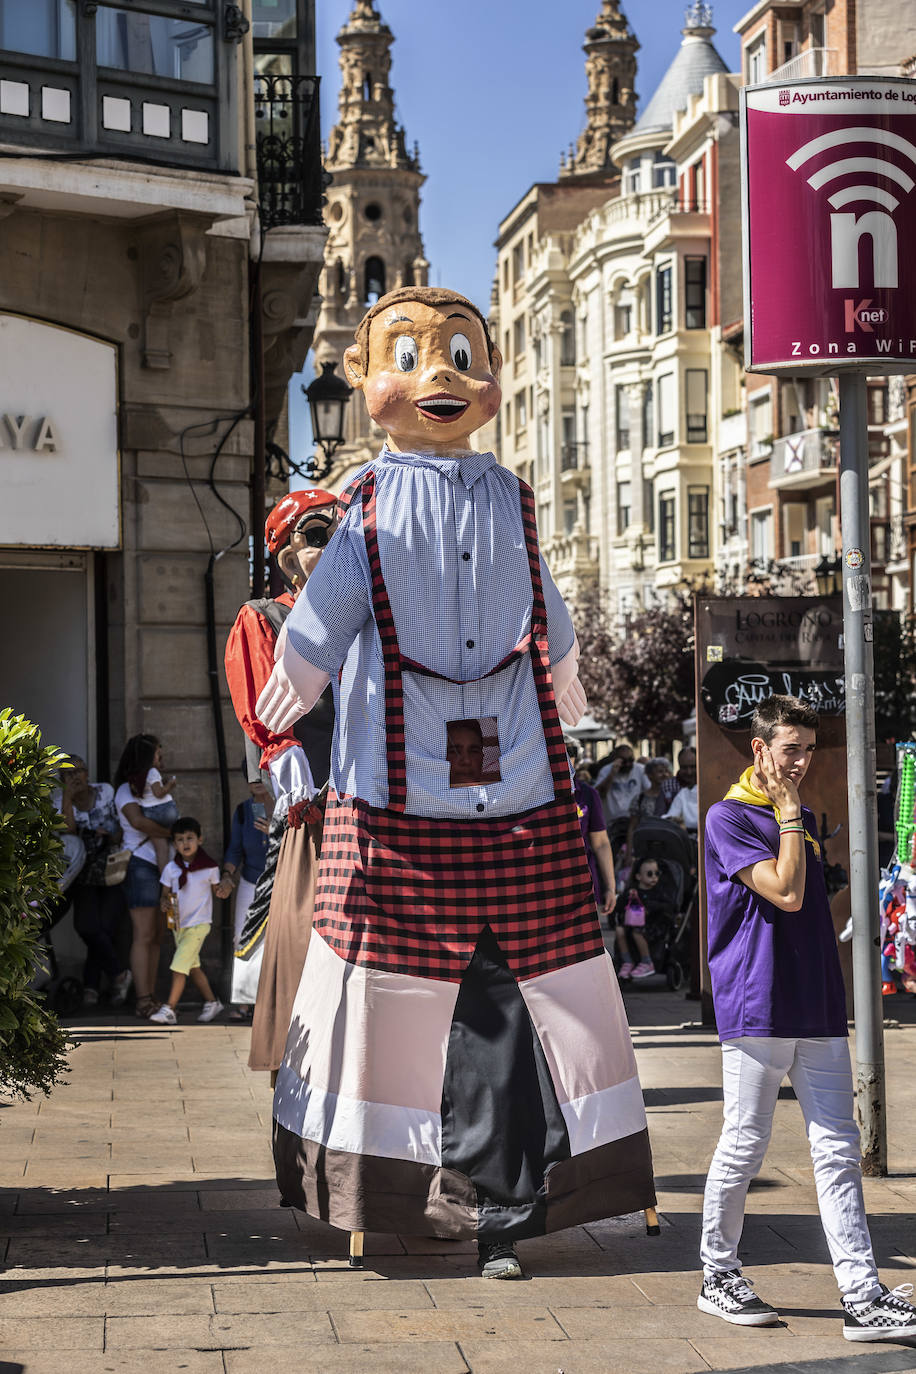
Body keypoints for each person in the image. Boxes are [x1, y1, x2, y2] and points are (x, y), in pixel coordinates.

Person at [258, 286, 655, 1280]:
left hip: (517, 800)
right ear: (365, 378)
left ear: (491, 376)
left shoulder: (514, 498)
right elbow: (324, 617)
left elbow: (547, 608)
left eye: (462, 355)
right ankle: (402, 1195)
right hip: (396, 811)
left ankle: (507, 1209)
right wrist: (297, 677)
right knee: (394, 1016)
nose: (441, 375)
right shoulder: (364, 507)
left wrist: (564, 666)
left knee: (518, 1016)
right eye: (411, 356)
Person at [699, 694, 916, 1341]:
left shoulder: (802, 817)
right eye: (790, 749)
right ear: (760, 748)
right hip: (756, 1003)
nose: (800, 761)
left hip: (816, 1001)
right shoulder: (728, 817)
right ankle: (717, 1273)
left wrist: (796, 817)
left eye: (809, 750)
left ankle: (861, 1296)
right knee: (744, 1142)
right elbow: (787, 894)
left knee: (838, 1150)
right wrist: (791, 815)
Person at [224, 487, 338, 1076]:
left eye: (342, 532)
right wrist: (293, 775)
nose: (334, 543)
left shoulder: (372, 621)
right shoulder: (264, 617)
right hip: (313, 808)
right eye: (317, 534)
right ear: (287, 555)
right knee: (303, 935)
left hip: (379, 802)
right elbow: (265, 710)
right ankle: (299, 1074)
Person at [61, 755, 132, 1009]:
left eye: (79, 771)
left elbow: (122, 823)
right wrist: (68, 796)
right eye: (68, 773)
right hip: (82, 873)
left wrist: (112, 835)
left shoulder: (105, 792)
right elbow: (68, 831)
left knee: (105, 928)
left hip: (112, 867)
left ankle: (91, 986)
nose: (75, 777)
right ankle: (119, 975)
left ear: (87, 773)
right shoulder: (58, 801)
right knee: (87, 927)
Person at [115, 734, 176, 1018]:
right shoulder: (125, 790)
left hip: (161, 866)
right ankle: (142, 999)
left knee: (157, 935)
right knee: (144, 934)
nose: (160, 759)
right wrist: (171, 833)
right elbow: (138, 822)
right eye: (156, 754)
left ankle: (150, 996)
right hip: (139, 864)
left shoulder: (151, 786)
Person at [150, 817, 229, 1025]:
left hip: (199, 925)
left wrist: (224, 888)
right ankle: (212, 1002)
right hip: (179, 926)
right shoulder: (171, 869)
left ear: (200, 839)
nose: (185, 843)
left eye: (190, 838)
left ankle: (169, 1009)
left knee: (179, 966)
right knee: (192, 967)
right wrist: (164, 903)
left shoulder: (210, 867)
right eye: (180, 839)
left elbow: (218, 890)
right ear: (174, 844)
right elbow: (164, 895)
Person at [221, 779, 272, 1019]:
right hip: (250, 880)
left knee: (276, 939)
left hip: (280, 879)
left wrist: (275, 831)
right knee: (243, 937)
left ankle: (272, 1002)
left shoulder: (284, 804)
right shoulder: (244, 810)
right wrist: (226, 875)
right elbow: (235, 848)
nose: (257, 781)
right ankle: (245, 1002)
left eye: (262, 774)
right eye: (252, 776)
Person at [570, 743, 615, 916]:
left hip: (583, 882)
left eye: (569, 758)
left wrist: (610, 888)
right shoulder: (535, 792)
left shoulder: (587, 794)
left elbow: (601, 843)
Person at [612, 856, 664, 981]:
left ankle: (647, 962)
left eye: (656, 873)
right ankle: (627, 961)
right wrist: (628, 897)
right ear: (639, 876)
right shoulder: (633, 890)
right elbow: (619, 906)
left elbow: (666, 906)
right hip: (632, 924)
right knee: (619, 930)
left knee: (637, 932)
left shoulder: (659, 892)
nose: (654, 877)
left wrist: (649, 907)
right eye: (649, 874)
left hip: (653, 925)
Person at [594, 744, 649, 826]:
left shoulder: (640, 769)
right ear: (615, 759)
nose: (628, 764)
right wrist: (612, 774)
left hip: (634, 820)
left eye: (631, 760)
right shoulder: (606, 770)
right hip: (612, 821)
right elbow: (600, 794)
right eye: (624, 761)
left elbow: (649, 791)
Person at [656, 745, 696, 817]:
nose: (689, 772)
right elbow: (659, 815)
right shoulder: (667, 787)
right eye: (684, 767)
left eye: (693, 767)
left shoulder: (706, 786)